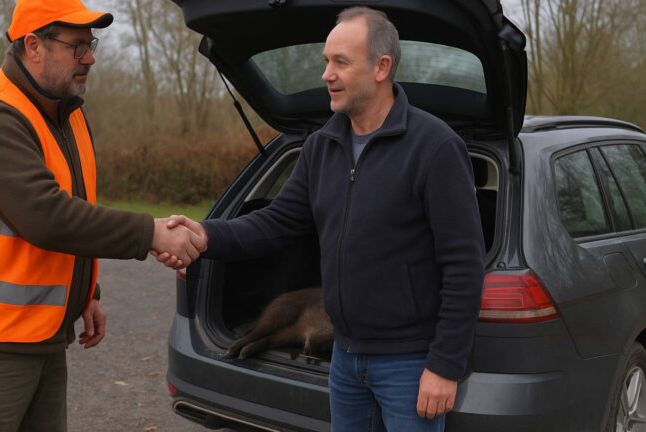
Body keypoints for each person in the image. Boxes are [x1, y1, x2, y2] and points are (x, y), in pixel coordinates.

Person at [160, 6, 484, 431]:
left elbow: (464, 264)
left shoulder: (434, 146)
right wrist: (204, 234)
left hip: (408, 362)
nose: (326, 74)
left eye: (341, 62)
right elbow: (276, 222)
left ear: (381, 67)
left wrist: (445, 365)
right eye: (326, 61)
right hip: (345, 359)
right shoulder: (321, 145)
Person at [0, 0, 204, 430]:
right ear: (34, 46)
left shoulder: (65, 111)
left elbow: (78, 209)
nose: (90, 57)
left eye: (90, 45)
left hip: (41, 336)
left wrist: (87, 294)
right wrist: (149, 233)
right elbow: (47, 216)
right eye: (77, 47)